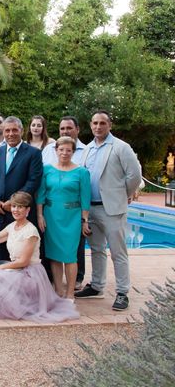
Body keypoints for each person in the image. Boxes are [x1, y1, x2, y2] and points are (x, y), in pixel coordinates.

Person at [0, 192, 79, 323]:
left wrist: (1, 267)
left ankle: (18, 308)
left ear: (28, 210)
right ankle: (8, 308)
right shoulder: (12, 227)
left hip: (30, 273)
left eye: (20, 207)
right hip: (18, 269)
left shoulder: (31, 231)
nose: (16, 210)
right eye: (14, 206)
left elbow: (24, 262)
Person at [75, 111, 142, 311]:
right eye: (95, 123)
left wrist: (123, 194)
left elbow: (134, 176)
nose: (98, 126)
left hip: (112, 208)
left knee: (117, 251)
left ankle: (122, 292)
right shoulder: (87, 149)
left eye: (102, 123)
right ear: (90, 125)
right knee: (96, 249)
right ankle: (97, 286)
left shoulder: (121, 147)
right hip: (91, 208)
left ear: (109, 125)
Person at [37, 137, 91, 300]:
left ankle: (69, 294)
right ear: (56, 150)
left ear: (73, 152)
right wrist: (39, 215)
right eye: (61, 149)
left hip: (71, 218)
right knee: (54, 255)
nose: (65, 153)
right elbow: (40, 194)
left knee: (69, 256)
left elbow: (85, 198)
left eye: (68, 150)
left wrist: (84, 220)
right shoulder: (46, 169)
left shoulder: (82, 172)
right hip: (50, 216)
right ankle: (58, 291)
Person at [0, 116, 43, 260]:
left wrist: (14, 202)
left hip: (21, 212)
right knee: (2, 256)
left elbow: (33, 181)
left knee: (22, 256)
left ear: (22, 131)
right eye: (7, 130)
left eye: (14, 130)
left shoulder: (33, 153)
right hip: (0, 213)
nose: (10, 134)